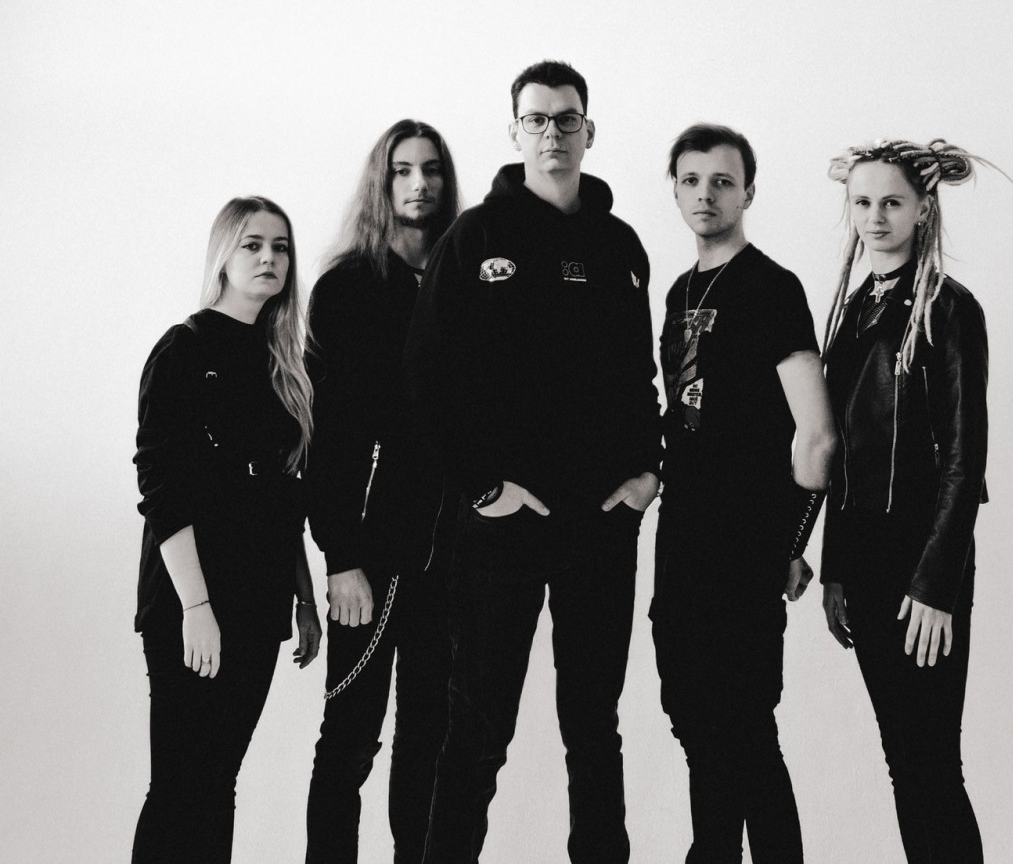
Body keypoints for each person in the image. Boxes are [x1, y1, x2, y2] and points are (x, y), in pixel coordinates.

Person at [406, 60, 662, 864]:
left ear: (589, 131)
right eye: (537, 119)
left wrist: (647, 474)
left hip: (601, 525)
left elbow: (639, 377)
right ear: (514, 131)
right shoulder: (473, 239)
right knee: (476, 729)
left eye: (566, 118)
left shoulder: (619, 245)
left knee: (593, 729)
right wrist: (483, 488)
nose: (552, 132)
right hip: (499, 528)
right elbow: (424, 381)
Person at [651, 124, 837, 863]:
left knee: (746, 729)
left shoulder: (771, 287)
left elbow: (817, 435)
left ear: (748, 193)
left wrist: (789, 543)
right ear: (674, 190)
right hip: (681, 540)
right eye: (691, 180)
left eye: (722, 181)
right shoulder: (678, 291)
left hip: (745, 542)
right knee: (694, 720)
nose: (706, 194)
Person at [820, 139, 996, 863]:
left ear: (922, 209)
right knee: (903, 758)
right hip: (863, 563)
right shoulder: (855, 309)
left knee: (932, 761)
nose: (875, 217)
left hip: (919, 563)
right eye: (862, 202)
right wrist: (834, 567)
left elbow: (964, 458)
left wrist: (935, 584)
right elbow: (841, 452)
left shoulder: (949, 310)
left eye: (891, 202)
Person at [132, 196, 322, 863]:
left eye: (281, 247)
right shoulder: (183, 349)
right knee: (178, 786)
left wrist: (303, 598)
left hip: (259, 603)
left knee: (218, 783)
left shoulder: (283, 365)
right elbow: (161, 490)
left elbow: (284, 496)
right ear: (223, 255)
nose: (270, 258)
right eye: (253, 244)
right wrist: (196, 608)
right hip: (191, 604)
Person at [303, 119, 461, 864]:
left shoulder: (466, 281)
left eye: (431, 169)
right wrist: (339, 556)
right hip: (371, 553)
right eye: (402, 170)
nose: (419, 184)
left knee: (430, 738)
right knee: (350, 738)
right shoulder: (347, 287)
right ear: (382, 181)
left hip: (454, 554)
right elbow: (328, 437)